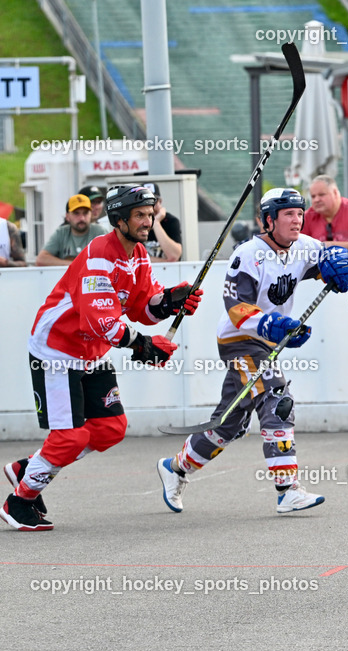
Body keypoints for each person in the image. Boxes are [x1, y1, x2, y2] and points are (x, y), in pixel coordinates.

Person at [2, 185, 202, 531]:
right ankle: (20, 500)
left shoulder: (138, 254)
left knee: (110, 428)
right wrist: (143, 346)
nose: (147, 220)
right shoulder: (99, 255)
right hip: (57, 350)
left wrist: (170, 301)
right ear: (119, 220)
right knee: (71, 438)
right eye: (139, 215)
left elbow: (143, 306)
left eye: (149, 213)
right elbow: (101, 321)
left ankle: (30, 466)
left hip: (91, 351)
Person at [156, 188, 348, 515]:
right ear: (268, 220)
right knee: (277, 400)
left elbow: (328, 265)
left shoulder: (305, 246)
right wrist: (276, 327)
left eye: (299, 212)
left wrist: (338, 269)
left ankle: (175, 468)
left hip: (263, 342)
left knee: (228, 425)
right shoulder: (247, 254)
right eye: (288, 213)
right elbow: (236, 309)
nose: (297, 219)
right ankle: (287, 489)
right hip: (239, 340)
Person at [302, 175, 348, 258]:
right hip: (318, 269)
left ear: (335, 193)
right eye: (313, 196)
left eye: (321, 195)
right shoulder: (306, 217)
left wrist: (328, 246)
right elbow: (298, 247)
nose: (316, 200)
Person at [35, 194, 110, 266]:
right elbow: (41, 260)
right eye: (76, 213)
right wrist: (75, 265)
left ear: (91, 214)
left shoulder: (100, 232)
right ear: (67, 216)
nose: (82, 218)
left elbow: (113, 257)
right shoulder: (61, 232)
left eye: (85, 213)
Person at [139, 182, 183, 261]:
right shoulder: (136, 223)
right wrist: (166, 262)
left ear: (160, 202)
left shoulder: (171, 221)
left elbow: (174, 256)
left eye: (153, 202)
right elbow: (133, 258)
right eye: (145, 203)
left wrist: (156, 223)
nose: (150, 208)